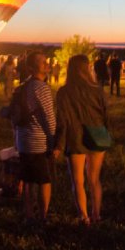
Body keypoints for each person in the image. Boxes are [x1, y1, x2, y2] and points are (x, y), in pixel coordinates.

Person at [53, 53, 110, 225]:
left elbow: (62, 121)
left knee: (78, 180)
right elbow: (105, 115)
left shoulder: (64, 92)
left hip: (75, 137)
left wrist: (59, 145)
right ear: (87, 68)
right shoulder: (97, 90)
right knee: (94, 179)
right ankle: (96, 214)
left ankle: (84, 216)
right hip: (98, 135)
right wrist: (106, 133)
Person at [5, 52, 58, 223]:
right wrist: (53, 142)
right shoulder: (41, 87)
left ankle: (29, 215)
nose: (46, 64)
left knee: (28, 180)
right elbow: (49, 118)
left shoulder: (23, 86)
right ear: (32, 67)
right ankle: (42, 217)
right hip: (38, 142)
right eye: (42, 62)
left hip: (23, 139)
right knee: (44, 180)